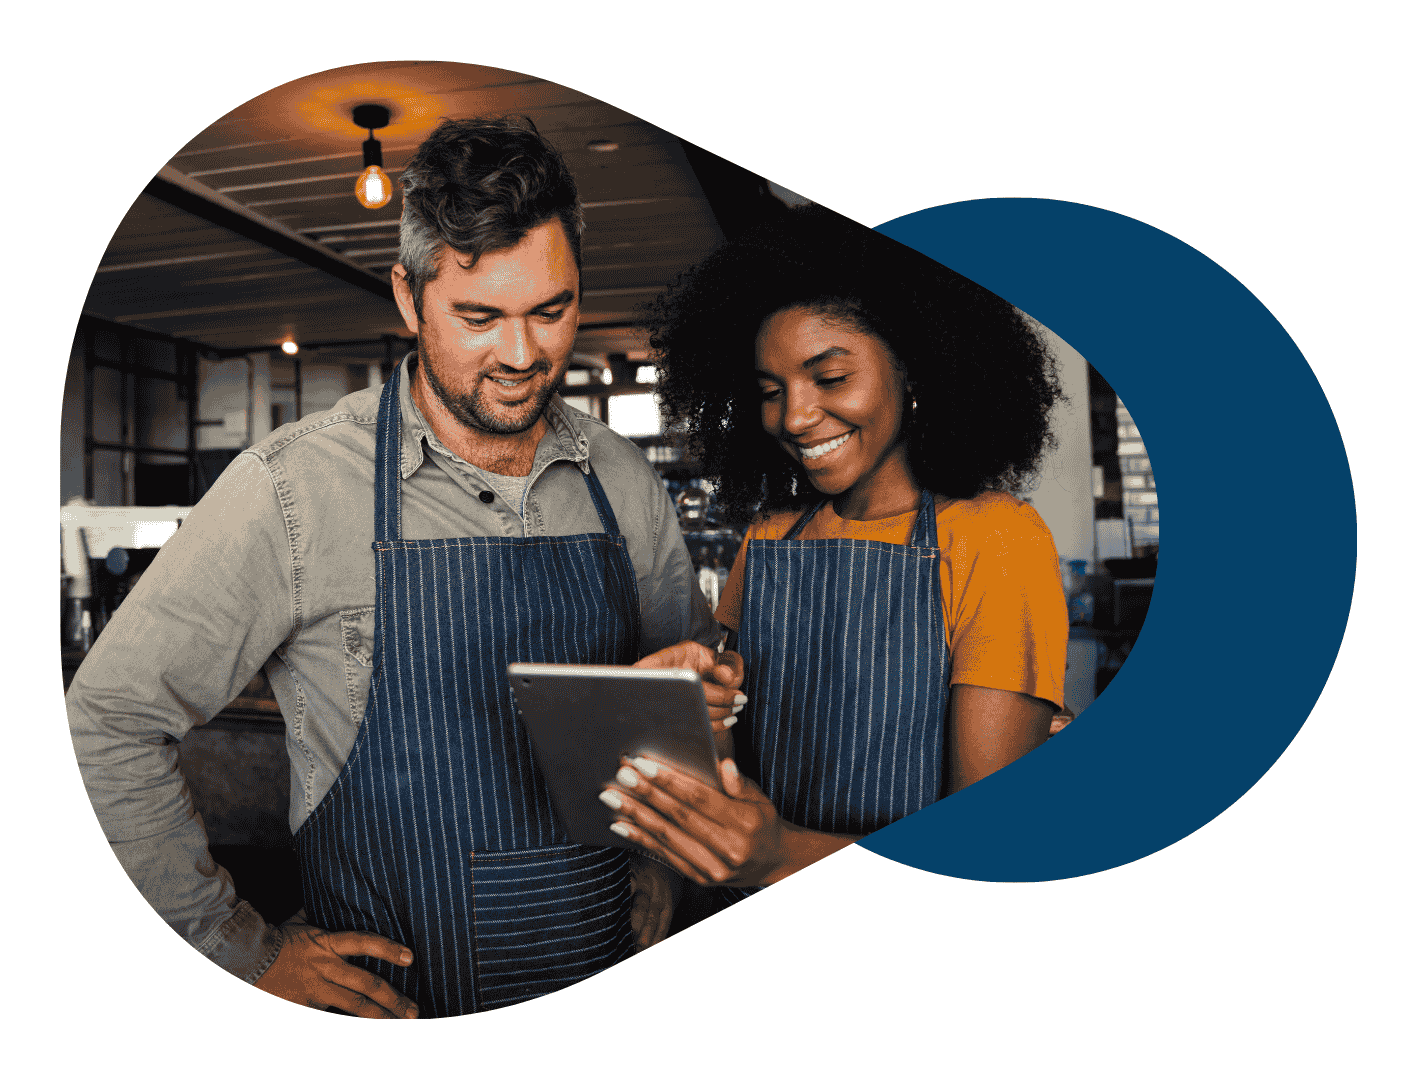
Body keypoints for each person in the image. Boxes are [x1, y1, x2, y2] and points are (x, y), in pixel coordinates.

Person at [67, 116, 742, 1019]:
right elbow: (106, 721)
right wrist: (238, 950)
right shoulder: (294, 490)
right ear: (407, 295)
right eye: (479, 317)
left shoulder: (621, 479)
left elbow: (686, 713)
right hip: (395, 1012)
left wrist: (660, 861)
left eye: (552, 310)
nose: (521, 353)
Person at [600, 207, 1067, 897]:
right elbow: (730, 764)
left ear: (913, 370)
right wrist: (693, 716)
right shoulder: (768, 539)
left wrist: (780, 854)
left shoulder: (994, 539)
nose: (792, 417)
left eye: (829, 377)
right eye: (770, 391)